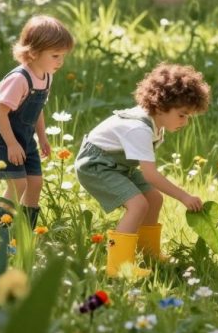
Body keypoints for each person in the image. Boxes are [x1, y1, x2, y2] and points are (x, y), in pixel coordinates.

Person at [75, 63, 209, 276]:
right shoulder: (139, 129)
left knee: (154, 199)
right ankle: (118, 267)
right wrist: (183, 196)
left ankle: (149, 254)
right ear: (161, 106)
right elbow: (150, 174)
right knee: (137, 205)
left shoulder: (155, 122)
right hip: (96, 165)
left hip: (117, 165)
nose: (185, 121)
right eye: (182, 115)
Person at [0, 14, 75, 231]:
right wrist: (11, 144)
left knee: (35, 183)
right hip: (3, 134)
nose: (60, 61)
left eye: (63, 56)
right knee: (18, 184)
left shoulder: (46, 76)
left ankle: (25, 233)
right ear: (33, 53)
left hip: (24, 136)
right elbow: (0, 114)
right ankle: (2, 231)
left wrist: (42, 137)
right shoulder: (19, 79)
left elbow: (37, 110)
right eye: (55, 55)